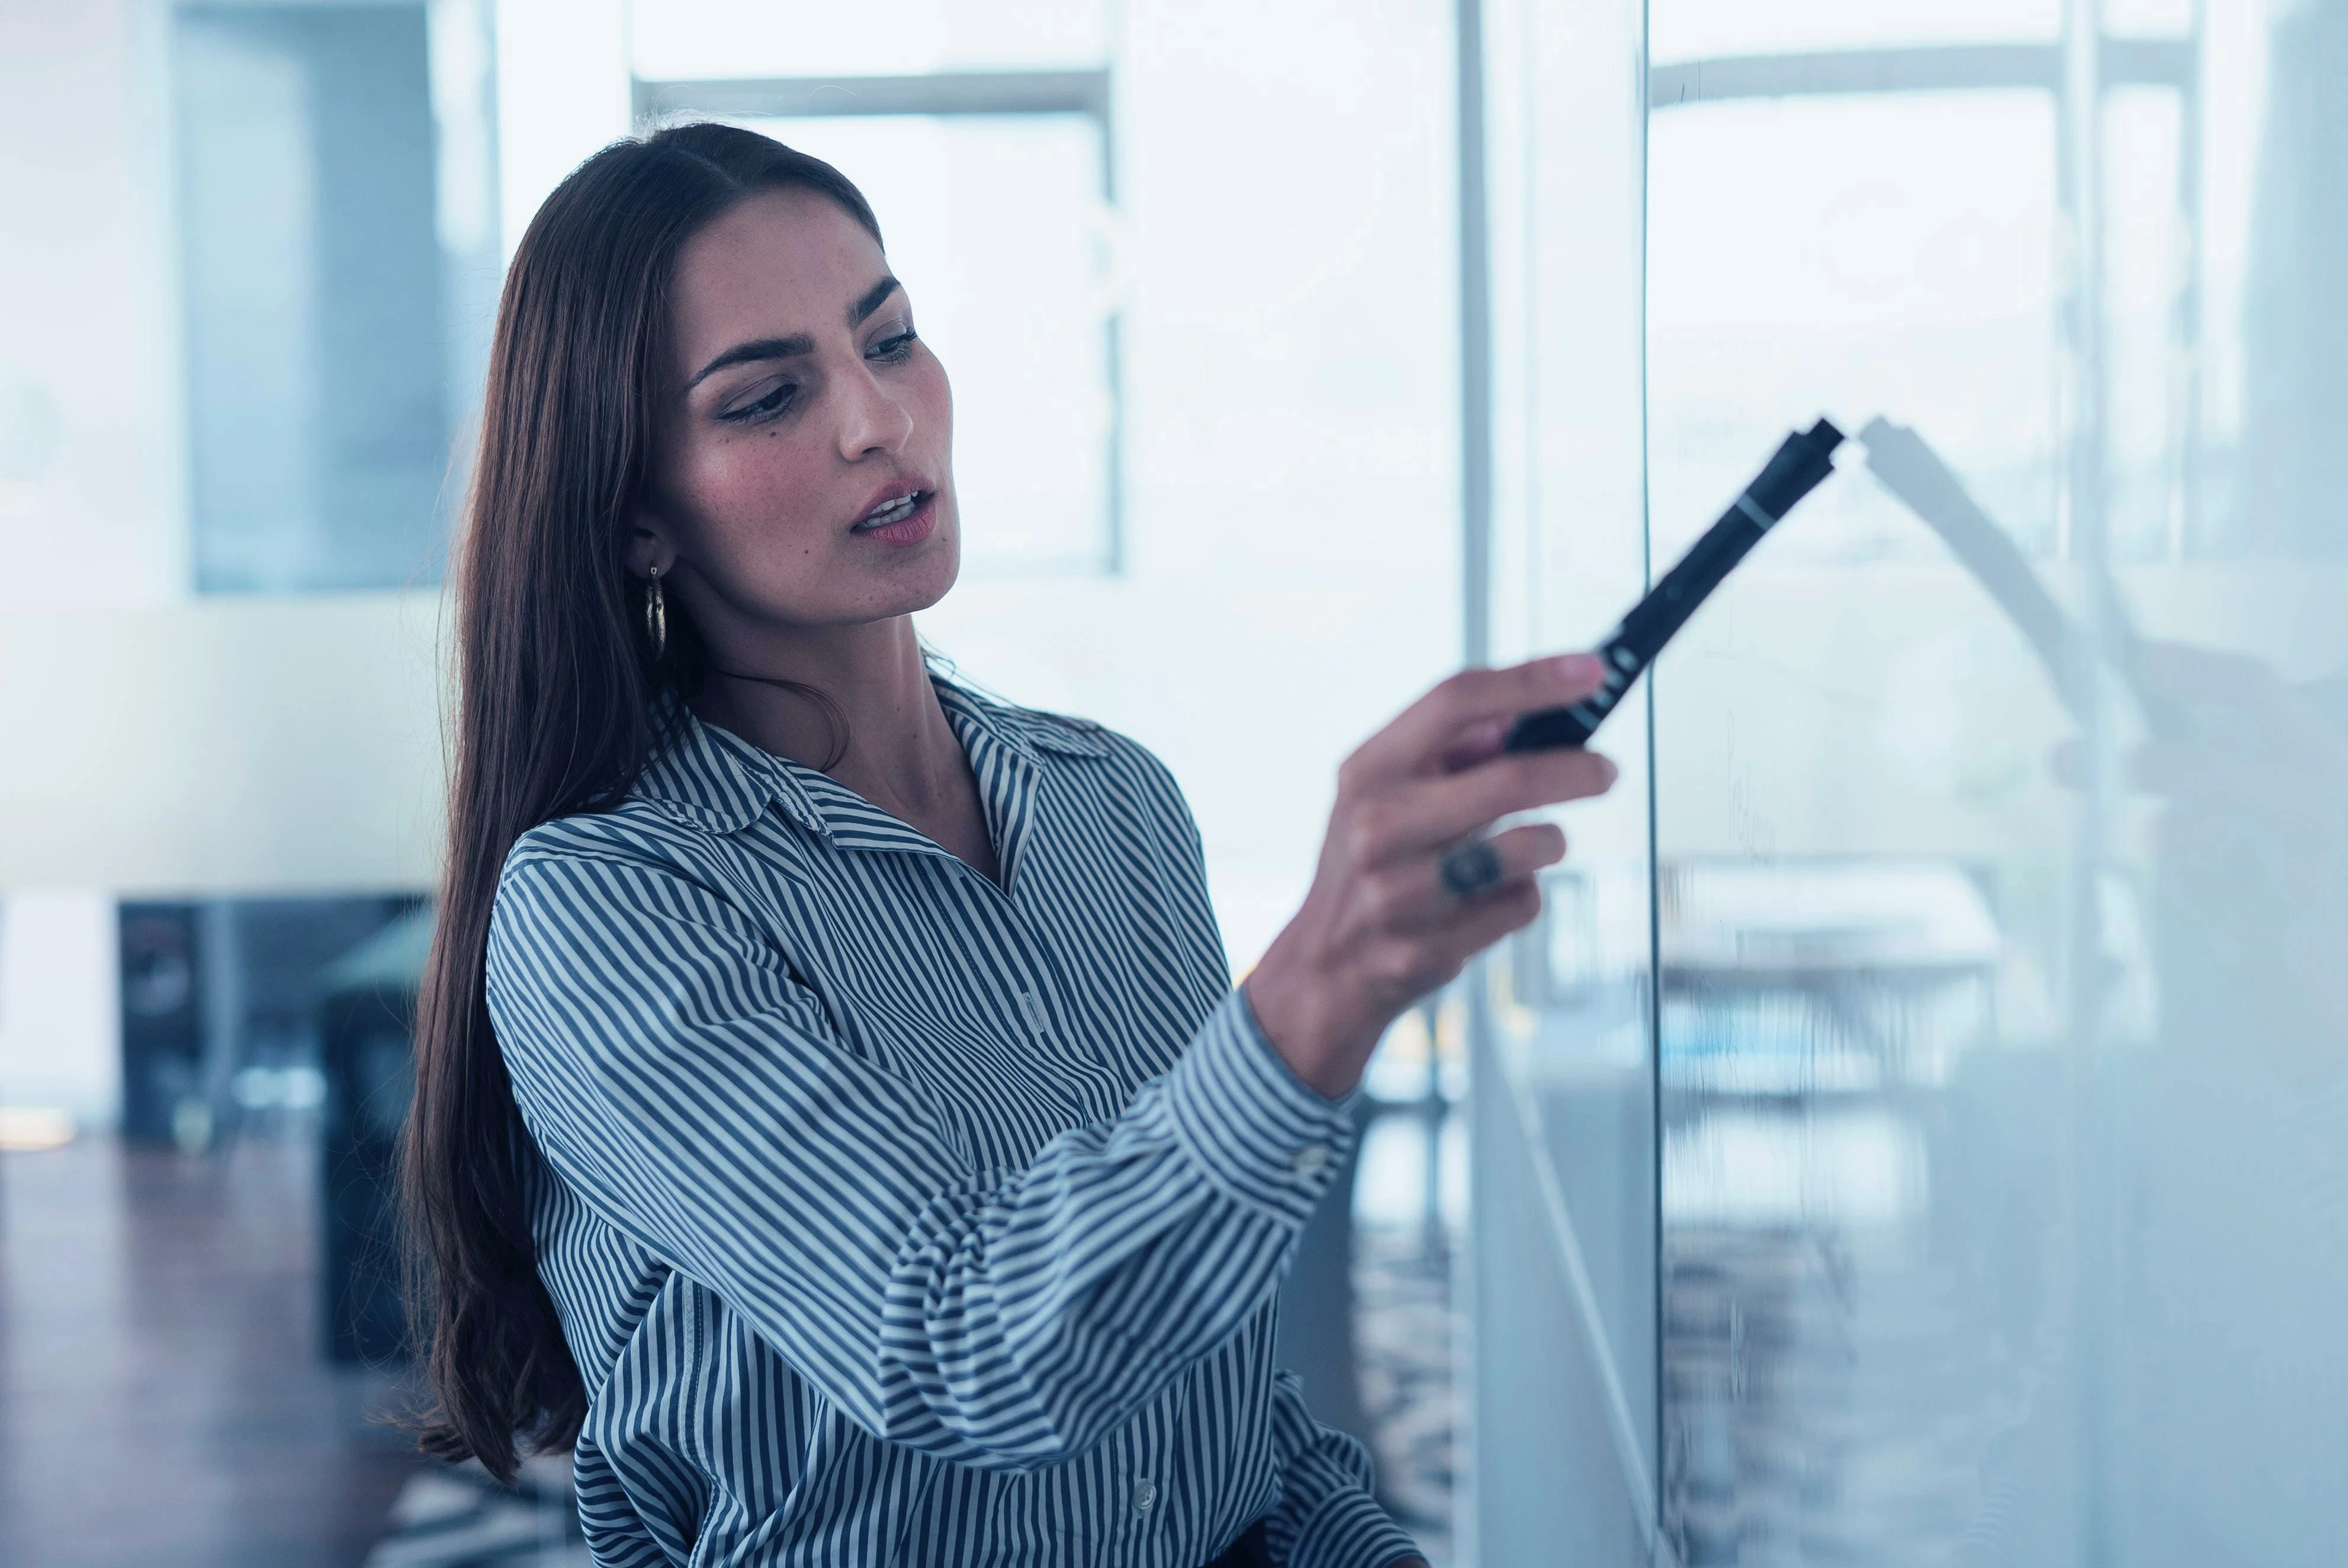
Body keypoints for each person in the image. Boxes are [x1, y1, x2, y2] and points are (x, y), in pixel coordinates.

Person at [403, 121, 1617, 1567]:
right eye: (768, 398)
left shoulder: (1115, 803)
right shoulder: (604, 907)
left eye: (891, 339)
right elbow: (954, 1347)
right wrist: (1314, 996)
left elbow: (1221, 1380)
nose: (877, 420)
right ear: (638, 518)